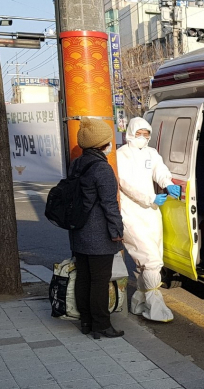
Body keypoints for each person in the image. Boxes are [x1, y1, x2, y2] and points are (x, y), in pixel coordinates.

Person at [117, 117, 180, 322]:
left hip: (151, 212)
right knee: (151, 260)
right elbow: (125, 184)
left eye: (146, 134)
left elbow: (159, 171)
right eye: (139, 133)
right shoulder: (121, 155)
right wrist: (149, 197)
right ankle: (156, 308)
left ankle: (138, 302)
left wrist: (168, 183)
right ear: (130, 133)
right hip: (131, 213)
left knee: (149, 260)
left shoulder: (152, 153)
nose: (143, 138)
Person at [69, 118, 125, 339]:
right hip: (99, 234)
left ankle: (86, 322)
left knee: (84, 277)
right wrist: (117, 231)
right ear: (103, 143)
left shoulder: (77, 164)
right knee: (100, 281)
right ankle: (101, 325)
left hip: (79, 231)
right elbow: (109, 204)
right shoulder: (102, 168)